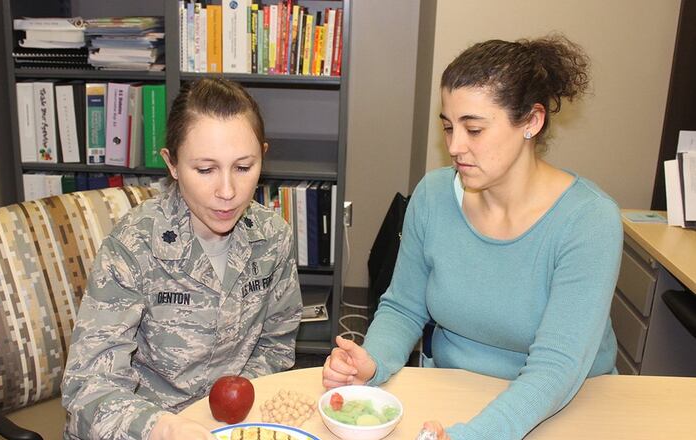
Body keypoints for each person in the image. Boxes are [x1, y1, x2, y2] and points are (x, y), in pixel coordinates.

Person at [322, 35, 623, 440]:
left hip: (561, 408)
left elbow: (557, 367)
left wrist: (474, 435)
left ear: (532, 122)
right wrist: (372, 363)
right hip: (450, 395)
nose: (454, 146)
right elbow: (403, 308)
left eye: (474, 129)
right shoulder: (432, 195)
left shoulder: (588, 220)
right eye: (448, 127)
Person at [62, 78, 303, 440]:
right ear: (172, 164)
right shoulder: (133, 245)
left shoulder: (273, 237)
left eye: (243, 167)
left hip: (232, 424)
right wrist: (164, 428)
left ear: (262, 157)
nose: (227, 192)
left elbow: (277, 345)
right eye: (205, 170)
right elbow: (88, 388)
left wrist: (228, 416)